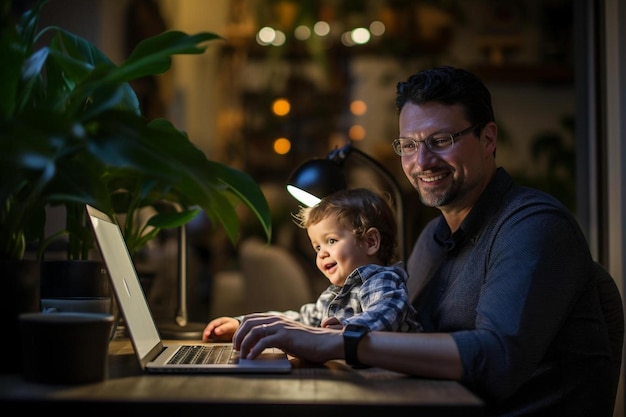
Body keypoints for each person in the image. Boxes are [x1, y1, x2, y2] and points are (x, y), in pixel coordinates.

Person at [231, 66, 616, 416]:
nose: (422, 162)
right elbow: (396, 332)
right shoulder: (435, 237)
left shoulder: (532, 226)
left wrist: (336, 343)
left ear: (488, 138)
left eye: (441, 140)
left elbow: (496, 360)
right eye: (409, 145)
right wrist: (285, 327)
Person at [203, 188, 421, 341]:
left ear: (370, 242)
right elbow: (300, 319)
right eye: (317, 247)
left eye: (332, 241)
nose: (322, 253)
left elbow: (387, 312)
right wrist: (245, 324)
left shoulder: (380, 280)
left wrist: (348, 331)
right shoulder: (334, 295)